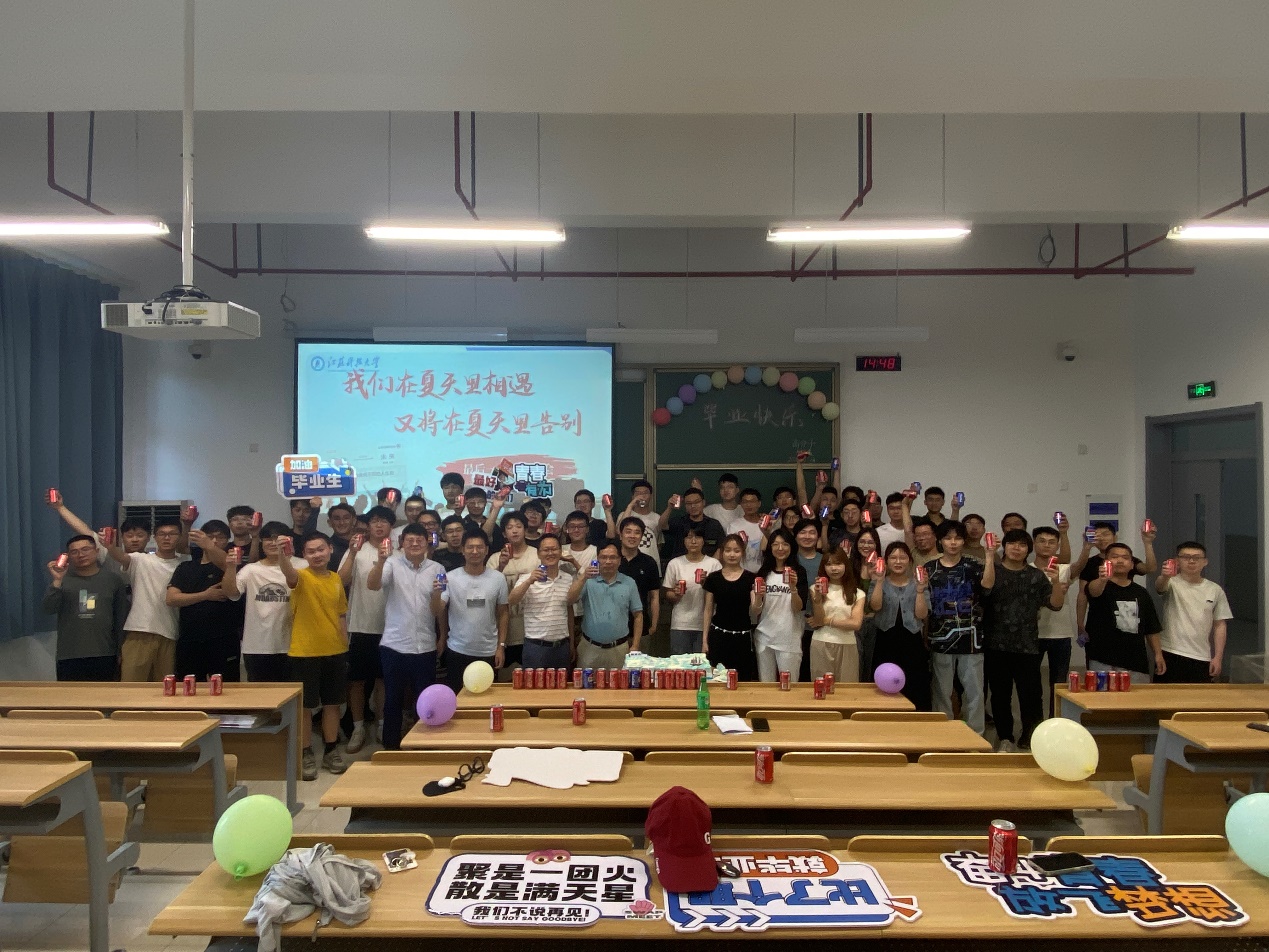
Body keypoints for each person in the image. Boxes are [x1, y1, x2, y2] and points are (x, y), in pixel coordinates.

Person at [983, 529, 1067, 751]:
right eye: (1012, 543)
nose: (1017, 548)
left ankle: (1031, 736)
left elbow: (1055, 604)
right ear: (1005, 546)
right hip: (996, 643)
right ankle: (1005, 737)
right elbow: (985, 591)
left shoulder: (1036, 575)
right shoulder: (993, 571)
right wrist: (989, 556)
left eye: (1022, 545)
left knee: (1031, 695)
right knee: (1000, 695)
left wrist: (1056, 582)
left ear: (1028, 549)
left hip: (1027, 644)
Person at [278, 531, 350, 779]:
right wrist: (282, 554)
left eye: (320, 549)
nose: (317, 555)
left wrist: (344, 644)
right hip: (304, 652)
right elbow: (288, 574)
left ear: (330, 550)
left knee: (332, 705)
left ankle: (331, 750)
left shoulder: (336, 579)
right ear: (304, 555)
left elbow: (341, 614)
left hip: (335, 651)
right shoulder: (301, 576)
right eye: (311, 551)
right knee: (305, 707)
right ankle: (306, 752)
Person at [367, 523, 444, 750]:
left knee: (425, 701)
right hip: (394, 645)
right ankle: (391, 748)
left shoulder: (437, 568)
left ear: (427, 542)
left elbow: (437, 610)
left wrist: (437, 594)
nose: (415, 543)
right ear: (402, 543)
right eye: (410, 540)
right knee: (393, 700)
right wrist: (381, 560)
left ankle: (423, 747)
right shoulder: (391, 563)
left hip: (425, 647)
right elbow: (372, 585)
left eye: (419, 540)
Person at [926, 520, 994, 735]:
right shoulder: (929, 569)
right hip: (940, 638)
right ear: (940, 541)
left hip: (971, 638)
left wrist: (990, 556)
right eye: (948, 538)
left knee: (974, 691)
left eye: (957, 538)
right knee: (941, 691)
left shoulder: (974, 565)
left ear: (964, 541)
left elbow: (988, 586)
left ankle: (976, 736)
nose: (953, 543)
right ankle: (943, 734)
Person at [337, 506, 394, 753]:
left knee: (383, 680)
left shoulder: (398, 551)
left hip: (390, 627)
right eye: (374, 521)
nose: (379, 525)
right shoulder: (357, 550)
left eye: (384, 521)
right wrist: (351, 552)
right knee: (357, 682)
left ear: (391, 526)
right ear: (367, 525)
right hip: (360, 625)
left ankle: (381, 724)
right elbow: (340, 580)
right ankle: (358, 727)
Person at [105, 518, 187, 681]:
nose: (167, 538)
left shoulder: (184, 564)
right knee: (132, 685)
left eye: (172, 534)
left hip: (170, 633)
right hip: (139, 631)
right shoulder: (140, 559)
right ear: (154, 537)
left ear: (179, 537)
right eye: (162, 534)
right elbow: (121, 557)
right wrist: (110, 546)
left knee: (164, 687)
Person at [222, 521, 304, 682]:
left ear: (289, 540)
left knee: (295, 692)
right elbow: (232, 594)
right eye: (268, 539)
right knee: (260, 694)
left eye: (277, 539)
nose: (273, 543)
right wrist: (230, 567)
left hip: (295, 644)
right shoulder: (251, 569)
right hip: (257, 646)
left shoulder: (303, 565)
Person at [43, 534, 128, 681]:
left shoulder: (113, 580)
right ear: (68, 556)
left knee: (105, 694)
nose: (80, 555)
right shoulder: (63, 580)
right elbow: (48, 608)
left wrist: (121, 650)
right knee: (70, 695)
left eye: (85, 549)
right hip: (69, 654)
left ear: (96, 551)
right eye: (74, 552)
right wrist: (57, 581)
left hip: (105, 653)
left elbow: (120, 617)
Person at [435, 528, 509, 693]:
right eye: (470, 547)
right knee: (457, 697)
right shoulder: (450, 577)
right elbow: (440, 608)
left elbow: (503, 613)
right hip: (457, 649)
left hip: (488, 650)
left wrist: (501, 646)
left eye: (479, 547)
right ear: (462, 550)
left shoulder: (498, 578)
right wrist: (442, 637)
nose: (475, 551)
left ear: (487, 550)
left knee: (487, 698)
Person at [167, 521, 241, 682]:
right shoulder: (186, 567)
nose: (214, 541)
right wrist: (205, 595)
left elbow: (227, 563)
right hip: (190, 638)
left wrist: (210, 546)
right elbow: (172, 599)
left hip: (224, 639)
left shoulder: (232, 566)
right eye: (210, 537)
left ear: (228, 540)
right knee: (188, 688)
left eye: (220, 537)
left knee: (228, 688)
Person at [1033, 525, 1091, 715]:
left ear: (1057, 546)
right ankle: (1034, 722)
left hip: (1061, 634)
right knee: (1032, 683)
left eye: (1052, 542)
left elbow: (1078, 566)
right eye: (1042, 541)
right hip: (1033, 634)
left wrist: (1086, 548)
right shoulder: (1027, 569)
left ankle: (1055, 719)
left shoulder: (1063, 569)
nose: (1046, 545)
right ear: (1034, 544)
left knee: (1058, 683)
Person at [1084, 542, 1162, 684]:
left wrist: (1158, 654)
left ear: (1132, 565)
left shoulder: (1141, 593)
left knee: (1137, 697)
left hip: (1136, 662)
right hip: (1103, 660)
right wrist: (1102, 579)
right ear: (1105, 562)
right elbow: (1093, 591)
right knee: (1102, 697)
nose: (1120, 560)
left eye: (1125, 558)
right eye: (1114, 557)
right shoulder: (1098, 585)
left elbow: (1151, 627)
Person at [1154, 541, 1233, 683]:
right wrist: (1165, 576)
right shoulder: (1171, 583)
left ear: (1205, 562)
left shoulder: (1215, 589)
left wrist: (1218, 657)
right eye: (1186, 557)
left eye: (1196, 557)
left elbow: (1220, 625)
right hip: (1170, 652)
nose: (1191, 561)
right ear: (1177, 561)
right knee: (1165, 696)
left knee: (1199, 696)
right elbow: (1159, 587)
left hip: (1201, 656)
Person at [868, 541, 931, 709]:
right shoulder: (878, 582)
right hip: (885, 641)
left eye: (902, 557)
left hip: (912, 642)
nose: (898, 561)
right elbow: (875, 606)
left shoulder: (918, 583)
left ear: (910, 561)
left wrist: (920, 590)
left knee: (915, 685)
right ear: (886, 561)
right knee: (884, 687)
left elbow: (922, 615)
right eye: (893, 558)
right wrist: (879, 581)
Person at [1078, 520, 1158, 644]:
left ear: (1115, 537)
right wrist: (1080, 623)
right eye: (1098, 535)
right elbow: (1082, 594)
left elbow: (1150, 568)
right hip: (1099, 620)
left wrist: (1148, 543)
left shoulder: (1126, 561)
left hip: (1126, 617)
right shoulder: (1089, 563)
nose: (1102, 539)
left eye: (1106, 534)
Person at [568, 539, 644, 668]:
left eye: (613, 557)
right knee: (586, 681)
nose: (608, 561)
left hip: (619, 648)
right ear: (597, 559)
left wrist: (635, 645)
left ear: (620, 560)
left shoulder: (629, 583)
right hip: (589, 647)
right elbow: (569, 600)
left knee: (619, 681)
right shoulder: (588, 581)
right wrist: (583, 577)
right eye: (603, 557)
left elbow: (638, 615)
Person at [509, 533, 574, 670]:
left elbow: (569, 612)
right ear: (538, 554)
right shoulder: (527, 578)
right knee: (533, 684)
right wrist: (529, 581)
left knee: (562, 683)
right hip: (536, 647)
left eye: (554, 549)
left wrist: (572, 643)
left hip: (562, 646)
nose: (550, 553)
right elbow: (512, 600)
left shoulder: (568, 578)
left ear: (560, 552)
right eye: (546, 550)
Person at [753, 529, 808, 682]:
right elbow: (755, 611)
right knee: (766, 684)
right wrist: (758, 596)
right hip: (764, 636)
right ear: (770, 547)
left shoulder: (798, 572)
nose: (780, 548)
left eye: (785, 544)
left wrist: (793, 587)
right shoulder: (763, 572)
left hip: (789, 638)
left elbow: (798, 608)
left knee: (789, 684)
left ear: (791, 547)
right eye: (775, 544)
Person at [701, 535, 759, 680]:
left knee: (742, 680)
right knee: (716, 679)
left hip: (742, 637)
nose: (732, 554)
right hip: (718, 635)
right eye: (728, 550)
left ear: (742, 553)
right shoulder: (713, 578)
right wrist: (704, 639)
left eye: (736, 551)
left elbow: (756, 610)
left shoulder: (751, 578)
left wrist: (759, 596)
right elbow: (708, 610)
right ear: (722, 553)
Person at [489, 511, 540, 669]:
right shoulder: (494, 558)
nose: (515, 531)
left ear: (525, 529)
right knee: (504, 677)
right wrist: (501, 567)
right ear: (504, 533)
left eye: (518, 526)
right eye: (510, 527)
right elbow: (488, 592)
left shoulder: (537, 555)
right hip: (504, 631)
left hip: (532, 630)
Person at [808, 548, 865, 683]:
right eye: (829, 564)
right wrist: (818, 598)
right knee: (821, 686)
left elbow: (856, 624)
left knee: (847, 688)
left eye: (838, 563)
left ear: (846, 565)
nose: (834, 568)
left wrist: (827, 621)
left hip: (848, 643)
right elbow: (818, 619)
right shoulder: (814, 589)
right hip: (821, 642)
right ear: (823, 567)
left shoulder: (858, 593)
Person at [662, 527, 721, 655]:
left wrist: (707, 584)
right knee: (680, 665)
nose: (693, 541)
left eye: (697, 537)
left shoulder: (714, 564)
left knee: (703, 665)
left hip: (706, 625)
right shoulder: (675, 563)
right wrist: (676, 594)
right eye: (689, 537)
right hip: (680, 624)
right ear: (684, 541)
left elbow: (720, 596)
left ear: (703, 541)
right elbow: (668, 594)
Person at [618, 516, 661, 642]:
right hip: (613, 628)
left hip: (641, 626)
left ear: (642, 536)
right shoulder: (612, 560)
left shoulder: (649, 562)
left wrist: (654, 624)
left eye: (637, 532)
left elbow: (654, 596)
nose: (632, 536)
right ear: (620, 535)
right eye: (628, 531)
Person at [793, 518, 823, 680]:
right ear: (795, 536)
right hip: (793, 624)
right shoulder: (790, 560)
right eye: (802, 532)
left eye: (812, 532)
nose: (807, 536)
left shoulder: (825, 561)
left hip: (818, 625)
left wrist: (819, 617)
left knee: (815, 673)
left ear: (818, 536)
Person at [851, 527, 883, 677]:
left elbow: (877, 604)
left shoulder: (881, 567)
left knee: (870, 666)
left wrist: (876, 579)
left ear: (876, 545)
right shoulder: (849, 565)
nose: (866, 545)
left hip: (874, 622)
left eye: (870, 542)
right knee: (856, 665)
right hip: (853, 622)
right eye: (862, 542)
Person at [661, 487, 726, 559]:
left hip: (708, 564)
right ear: (685, 506)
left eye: (696, 502)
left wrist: (710, 564)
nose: (693, 506)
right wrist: (669, 507)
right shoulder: (679, 522)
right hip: (681, 564)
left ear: (703, 502)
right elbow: (662, 525)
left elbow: (721, 547)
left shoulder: (714, 525)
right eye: (689, 503)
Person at [733, 488, 767, 572]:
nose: (749, 505)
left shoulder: (766, 524)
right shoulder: (734, 526)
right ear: (741, 504)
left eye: (752, 501)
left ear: (759, 503)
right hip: (741, 572)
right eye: (745, 502)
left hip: (764, 571)